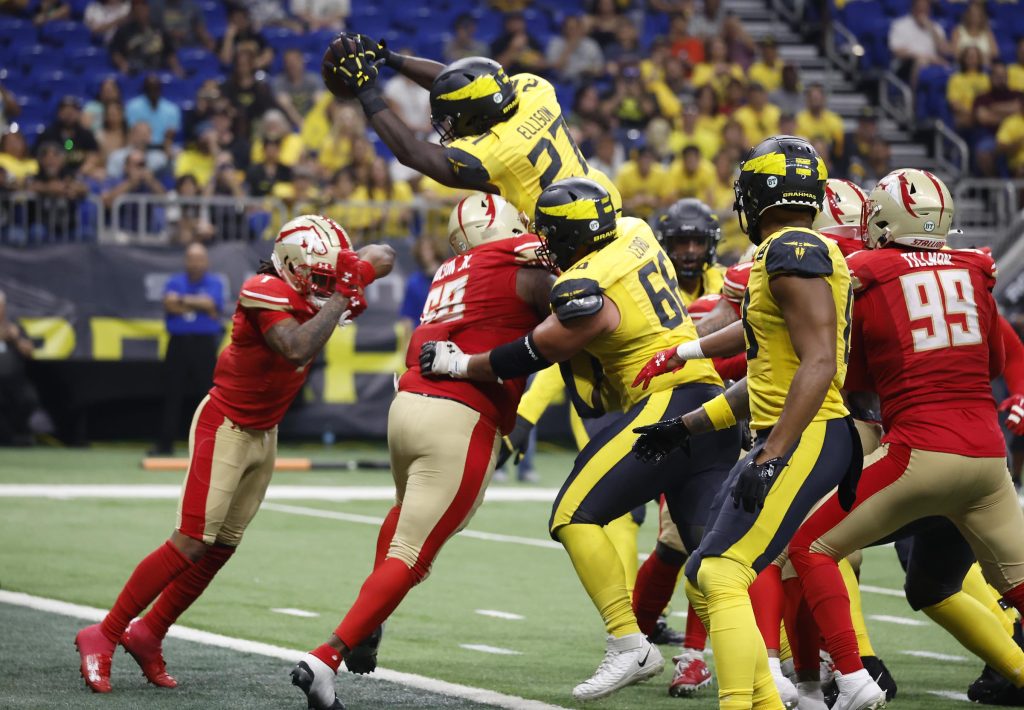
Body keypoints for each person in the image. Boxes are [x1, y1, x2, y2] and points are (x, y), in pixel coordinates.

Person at [419, 177, 739, 701]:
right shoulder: (635, 230)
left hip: (665, 403)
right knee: (715, 562)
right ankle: (769, 683)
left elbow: (538, 349)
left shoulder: (587, 280)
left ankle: (627, 641)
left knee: (572, 513)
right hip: (710, 406)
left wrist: (463, 363)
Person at [74, 215, 395, 693]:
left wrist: (358, 266)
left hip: (265, 432)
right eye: (319, 277)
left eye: (330, 278)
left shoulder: (318, 280)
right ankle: (104, 632)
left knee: (221, 547)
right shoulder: (263, 289)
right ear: (291, 266)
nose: (325, 286)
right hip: (225, 423)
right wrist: (346, 292)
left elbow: (383, 253)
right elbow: (295, 347)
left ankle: (150, 632)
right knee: (189, 540)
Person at [630, 135, 883, 710]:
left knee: (721, 572)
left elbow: (818, 364)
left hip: (809, 433)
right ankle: (775, 695)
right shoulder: (790, 249)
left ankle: (756, 699)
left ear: (762, 193)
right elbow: (770, 376)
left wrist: (771, 457)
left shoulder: (791, 247)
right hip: (797, 431)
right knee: (705, 571)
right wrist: (686, 426)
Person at [290, 194, 550, 710]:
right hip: (460, 413)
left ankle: (370, 623)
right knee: (412, 554)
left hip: (406, 405)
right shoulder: (518, 253)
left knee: (403, 521)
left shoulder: (450, 268)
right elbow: (569, 297)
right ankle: (326, 657)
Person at [787, 168, 1024, 707]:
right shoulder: (974, 271)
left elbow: (853, 375)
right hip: (989, 456)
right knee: (1016, 583)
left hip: (919, 450)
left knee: (810, 547)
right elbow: (991, 359)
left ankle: (852, 677)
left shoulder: (866, 273)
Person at [323, 36, 621, 216]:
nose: (450, 124)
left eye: (455, 117)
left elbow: (411, 152)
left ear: (477, 116)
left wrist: (366, 91)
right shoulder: (534, 90)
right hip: (604, 201)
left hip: (571, 239)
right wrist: (389, 58)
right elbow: (466, 80)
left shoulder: (493, 153)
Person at [149, 243, 224, 455]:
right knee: (171, 393)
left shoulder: (214, 282)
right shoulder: (175, 281)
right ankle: (165, 444)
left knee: (209, 396)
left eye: (200, 258)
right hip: (178, 343)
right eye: (192, 258)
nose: (195, 263)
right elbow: (169, 304)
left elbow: (210, 304)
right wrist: (198, 304)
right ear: (186, 261)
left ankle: (211, 445)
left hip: (204, 343)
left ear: (206, 261)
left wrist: (182, 300)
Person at [0, 289, 41, 446]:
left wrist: (16, 338)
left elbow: (29, 352)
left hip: (15, 383)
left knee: (28, 399)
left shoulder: (15, 328)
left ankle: (18, 434)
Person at [109, 0, 184, 77]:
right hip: (135, 71)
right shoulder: (123, 31)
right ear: (133, 12)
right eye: (137, 9)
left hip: (157, 69)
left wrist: (176, 68)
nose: (141, 12)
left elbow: (170, 52)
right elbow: (115, 52)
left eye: (143, 8)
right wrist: (123, 64)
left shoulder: (159, 29)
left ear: (148, 9)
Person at [35, 96, 101, 179]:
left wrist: (80, 173)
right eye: (65, 111)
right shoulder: (48, 134)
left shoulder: (85, 134)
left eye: (72, 111)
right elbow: (39, 158)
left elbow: (94, 155)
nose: (69, 115)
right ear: (59, 113)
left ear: (78, 113)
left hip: (80, 175)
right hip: (52, 176)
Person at [888, 0, 951, 86]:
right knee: (921, 61)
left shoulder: (935, 27)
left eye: (925, 8)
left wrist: (932, 30)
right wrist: (924, 57)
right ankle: (915, 97)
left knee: (950, 67)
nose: (922, 11)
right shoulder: (900, 25)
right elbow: (897, 51)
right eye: (919, 8)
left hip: (934, 63)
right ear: (913, 8)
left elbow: (944, 51)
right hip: (906, 65)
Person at [125, 75, 182, 151]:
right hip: (138, 147)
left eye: (156, 88)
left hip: (163, 148)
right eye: (150, 88)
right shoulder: (132, 107)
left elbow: (171, 135)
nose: (153, 91)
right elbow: (131, 132)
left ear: (160, 89)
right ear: (145, 89)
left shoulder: (172, 109)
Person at [545, 14, 604, 85]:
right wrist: (570, 47)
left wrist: (589, 70)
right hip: (563, 82)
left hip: (587, 81)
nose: (572, 31)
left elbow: (600, 69)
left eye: (575, 28)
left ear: (580, 28)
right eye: (569, 28)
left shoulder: (590, 44)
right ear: (564, 29)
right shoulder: (556, 43)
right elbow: (556, 66)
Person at [274, 48, 323, 128]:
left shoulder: (314, 79)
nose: (292, 65)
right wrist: (302, 124)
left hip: (313, 120)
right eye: (289, 62)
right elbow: (286, 105)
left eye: (295, 61)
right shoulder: (279, 82)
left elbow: (319, 104)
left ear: (302, 61)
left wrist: (311, 123)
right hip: (288, 123)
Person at [150, 0, 214, 51]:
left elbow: (201, 29)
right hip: (167, 49)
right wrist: (170, 34)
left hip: (191, 46)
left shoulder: (192, 6)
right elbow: (153, 30)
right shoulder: (157, 7)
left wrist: (208, 41)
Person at [951, 0, 998, 69]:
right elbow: (954, 53)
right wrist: (969, 58)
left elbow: (995, 53)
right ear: (967, 15)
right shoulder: (958, 31)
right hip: (962, 68)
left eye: (977, 15)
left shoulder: (988, 33)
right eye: (972, 14)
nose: (974, 17)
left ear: (982, 17)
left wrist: (979, 58)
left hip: (983, 67)